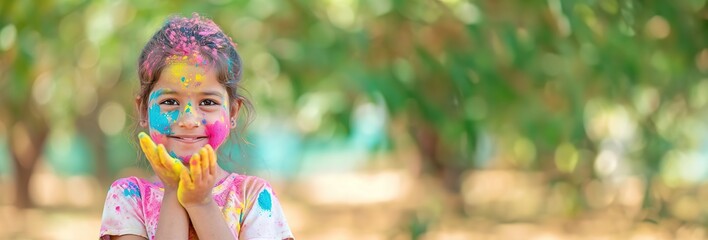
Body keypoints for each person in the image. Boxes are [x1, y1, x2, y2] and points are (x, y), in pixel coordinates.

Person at [99, 13, 295, 240]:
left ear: (232, 112)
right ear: (144, 110)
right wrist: (173, 192)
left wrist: (201, 204)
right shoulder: (128, 197)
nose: (189, 120)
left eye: (208, 102)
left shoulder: (253, 198)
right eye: (170, 102)